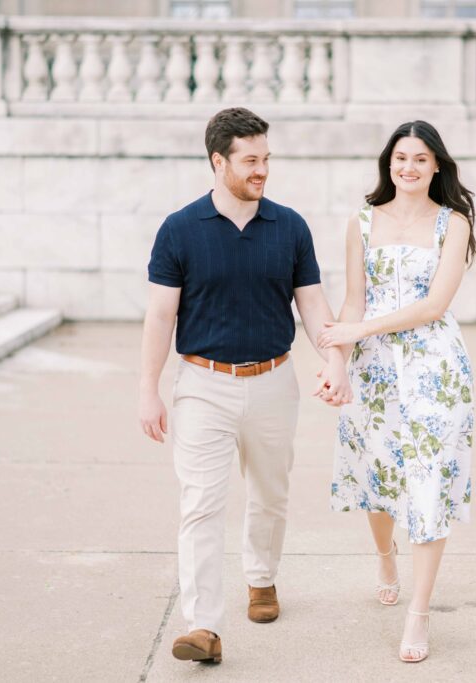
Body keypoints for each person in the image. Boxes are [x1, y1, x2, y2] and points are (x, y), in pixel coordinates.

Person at [139, 107, 351, 665]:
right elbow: (160, 317)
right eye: (250, 160)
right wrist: (148, 388)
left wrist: (334, 359)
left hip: (274, 381)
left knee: (270, 496)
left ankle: (261, 577)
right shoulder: (180, 229)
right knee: (201, 505)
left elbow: (311, 303)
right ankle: (203, 625)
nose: (262, 170)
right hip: (202, 385)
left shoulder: (290, 226)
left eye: (266, 159)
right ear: (218, 161)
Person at [318, 120, 476, 664]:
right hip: (375, 371)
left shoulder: (452, 223)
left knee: (428, 480)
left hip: (435, 367)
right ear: (389, 163)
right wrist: (337, 361)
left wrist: (356, 332)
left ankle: (420, 612)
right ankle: (385, 554)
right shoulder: (362, 222)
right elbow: (353, 302)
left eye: (420, 159)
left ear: (437, 166)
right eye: (400, 158)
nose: (408, 167)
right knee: (378, 472)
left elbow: (434, 306)